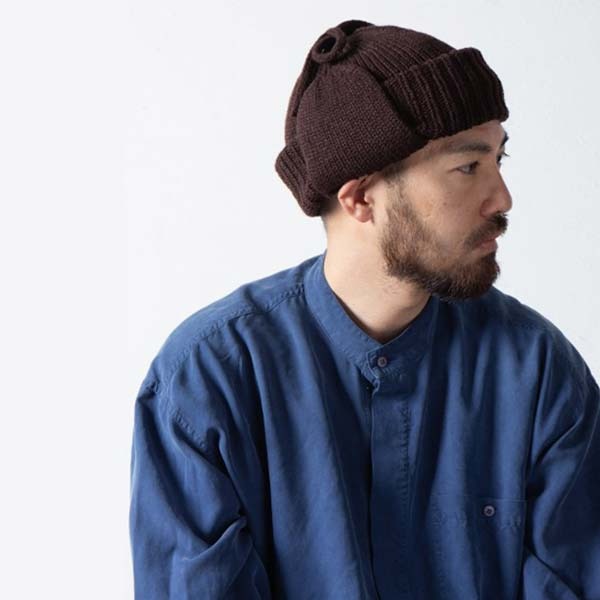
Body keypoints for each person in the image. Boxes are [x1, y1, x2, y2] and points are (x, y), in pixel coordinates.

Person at [128, 19, 600, 599]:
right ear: (359, 198)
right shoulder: (209, 380)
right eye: (468, 167)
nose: (502, 197)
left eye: (501, 159)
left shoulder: (539, 372)